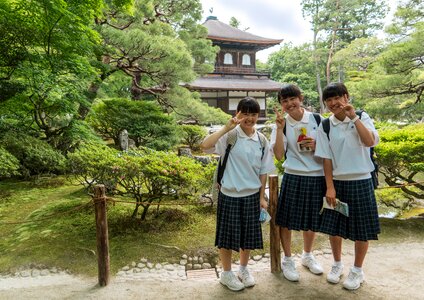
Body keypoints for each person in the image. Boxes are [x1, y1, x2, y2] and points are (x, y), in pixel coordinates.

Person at [201, 97, 275, 291]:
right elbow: (205, 145)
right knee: (227, 237)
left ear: (258, 116)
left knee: (247, 235)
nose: (249, 118)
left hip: (251, 195)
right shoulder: (230, 136)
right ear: (238, 114)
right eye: (245, 114)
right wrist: (226, 128)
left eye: (253, 114)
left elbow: (264, 170)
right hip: (230, 193)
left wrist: (261, 197)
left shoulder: (261, 140)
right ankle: (226, 273)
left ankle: (243, 269)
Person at [315, 82, 380, 290]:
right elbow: (326, 159)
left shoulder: (362, 116)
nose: (334, 103)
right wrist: (329, 187)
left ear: (346, 97)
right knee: (334, 228)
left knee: (362, 229)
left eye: (337, 98)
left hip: (361, 180)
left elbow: (369, 141)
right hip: (338, 182)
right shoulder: (325, 125)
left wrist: (354, 118)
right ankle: (336, 264)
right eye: (329, 100)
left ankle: (357, 270)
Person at [270, 83, 326, 282]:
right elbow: (278, 156)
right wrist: (278, 129)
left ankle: (308, 255)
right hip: (293, 175)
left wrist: (317, 145)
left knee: (311, 219)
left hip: (317, 174)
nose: (289, 104)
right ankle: (287, 259)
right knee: (286, 220)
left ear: (300, 98)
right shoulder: (281, 124)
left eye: (292, 99)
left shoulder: (318, 120)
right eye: (284, 101)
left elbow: (330, 150)